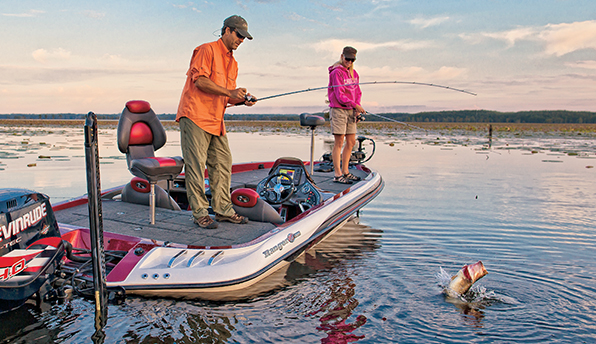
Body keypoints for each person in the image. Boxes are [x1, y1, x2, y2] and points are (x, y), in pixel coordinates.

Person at [176, 15, 256, 229]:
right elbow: (200, 80)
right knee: (195, 166)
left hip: (215, 119)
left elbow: (226, 96)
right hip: (195, 115)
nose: (241, 40)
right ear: (227, 30)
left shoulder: (233, 62)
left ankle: (223, 210)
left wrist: (241, 100)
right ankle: (200, 213)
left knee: (222, 163)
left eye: (244, 37)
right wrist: (230, 92)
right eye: (239, 35)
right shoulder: (206, 49)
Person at [327, 46, 365, 184]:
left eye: (352, 59)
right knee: (339, 141)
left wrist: (356, 107)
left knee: (351, 142)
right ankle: (337, 175)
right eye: (347, 58)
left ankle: (346, 172)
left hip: (351, 110)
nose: (349, 61)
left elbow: (358, 92)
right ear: (342, 56)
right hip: (338, 110)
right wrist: (355, 105)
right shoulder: (336, 73)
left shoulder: (354, 74)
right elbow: (339, 95)